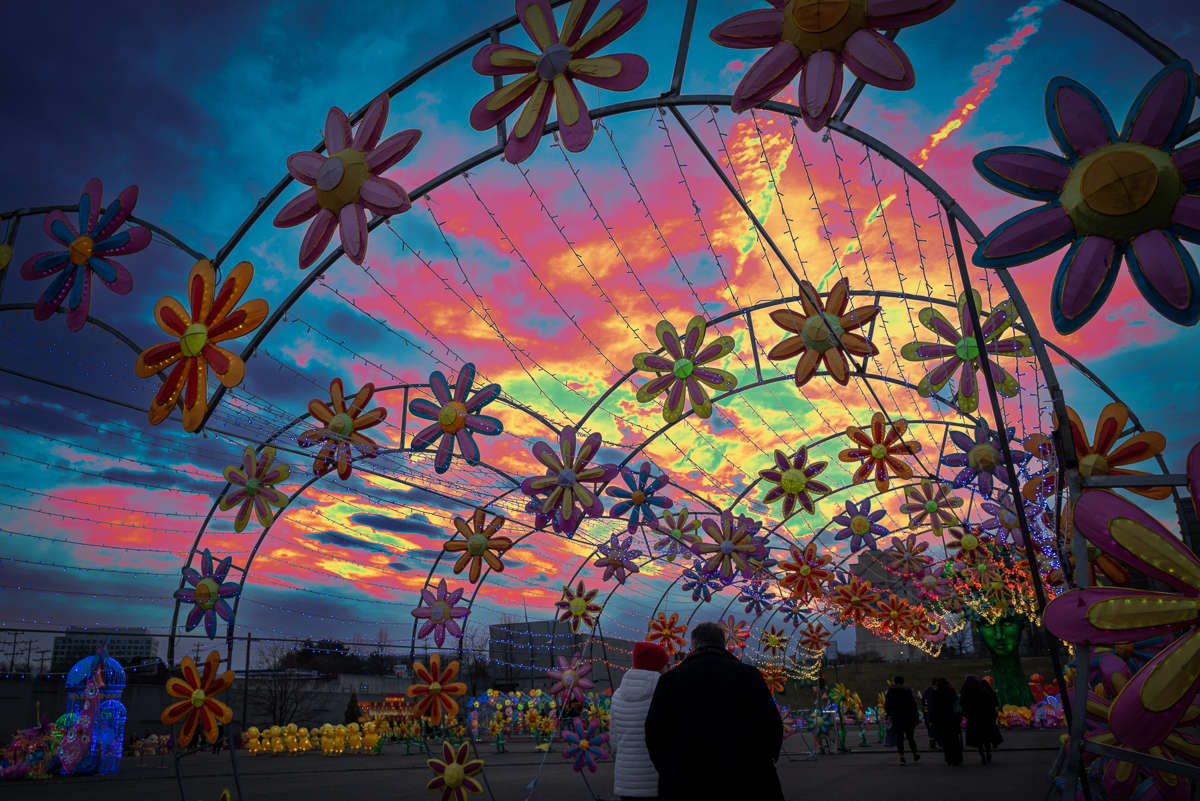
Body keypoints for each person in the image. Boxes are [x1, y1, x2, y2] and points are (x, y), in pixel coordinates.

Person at [645, 622, 783, 801]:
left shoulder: (670, 680)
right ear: (723, 644)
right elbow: (771, 724)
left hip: (685, 780)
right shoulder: (748, 675)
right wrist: (765, 760)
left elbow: (654, 731)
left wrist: (668, 768)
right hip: (745, 778)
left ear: (693, 645)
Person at [611, 642, 670, 801]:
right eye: (667, 665)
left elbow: (614, 741)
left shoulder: (617, 695)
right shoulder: (664, 695)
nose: (668, 669)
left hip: (625, 780)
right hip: (655, 780)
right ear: (658, 667)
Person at [960, 675, 1002, 764]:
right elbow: (991, 703)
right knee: (986, 738)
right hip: (985, 718)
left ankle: (982, 756)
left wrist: (967, 715)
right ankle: (988, 752)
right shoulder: (982, 689)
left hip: (974, 719)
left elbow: (963, 704)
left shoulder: (966, 690)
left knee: (978, 740)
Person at [884, 675, 920, 765]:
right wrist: (916, 717)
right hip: (908, 717)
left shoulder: (891, 691)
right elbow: (913, 705)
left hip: (897, 717)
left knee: (899, 737)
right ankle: (915, 753)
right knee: (910, 737)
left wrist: (888, 714)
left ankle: (902, 757)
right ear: (903, 681)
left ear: (894, 682)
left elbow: (887, 704)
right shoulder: (907, 691)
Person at [929, 678, 963, 766]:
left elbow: (933, 708)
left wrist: (932, 719)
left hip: (941, 720)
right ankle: (957, 758)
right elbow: (956, 705)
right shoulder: (951, 692)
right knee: (954, 739)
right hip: (952, 719)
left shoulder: (935, 693)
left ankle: (949, 758)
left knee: (946, 741)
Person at [921, 678, 939, 750]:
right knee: (934, 728)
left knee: (930, 728)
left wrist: (925, 712)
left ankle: (933, 742)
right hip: (934, 713)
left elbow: (923, 702)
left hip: (928, 713)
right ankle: (934, 742)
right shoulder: (937, 691)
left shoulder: (927, 691)